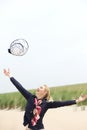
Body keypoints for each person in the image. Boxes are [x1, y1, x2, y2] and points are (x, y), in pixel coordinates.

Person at [3, 68, 87, 130]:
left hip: (39, 128)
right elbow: (19, 86)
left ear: (45, 92)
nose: (38, 88)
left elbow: (62, 103)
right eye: (39, 87)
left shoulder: (47, 104)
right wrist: (10, 75)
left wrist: (77, 100)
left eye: (41, 87)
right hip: (29, 127)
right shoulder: (30, 97)